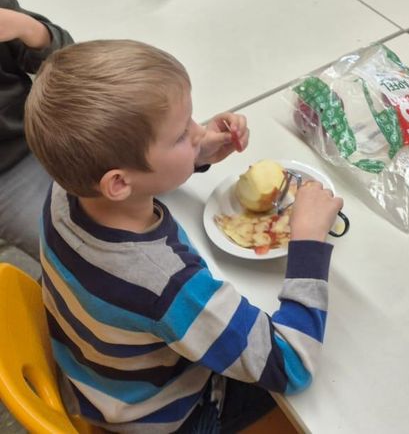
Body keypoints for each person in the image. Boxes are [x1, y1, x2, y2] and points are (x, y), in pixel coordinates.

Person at [25, 40, 344, 432]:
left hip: (98, 382)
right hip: (172, 416)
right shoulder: (166, 283)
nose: (198, 131)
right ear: (119, 182)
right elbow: (290, 364)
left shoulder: (65, 191)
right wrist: (309, 242)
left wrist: (197, 154)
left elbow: (132, 178)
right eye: (180, 135)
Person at [0, 0, 71, 260]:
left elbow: (67, 57)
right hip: (7, 172)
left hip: (45, 129)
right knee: (73, 252)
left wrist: (26, 28)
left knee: (152, 185)